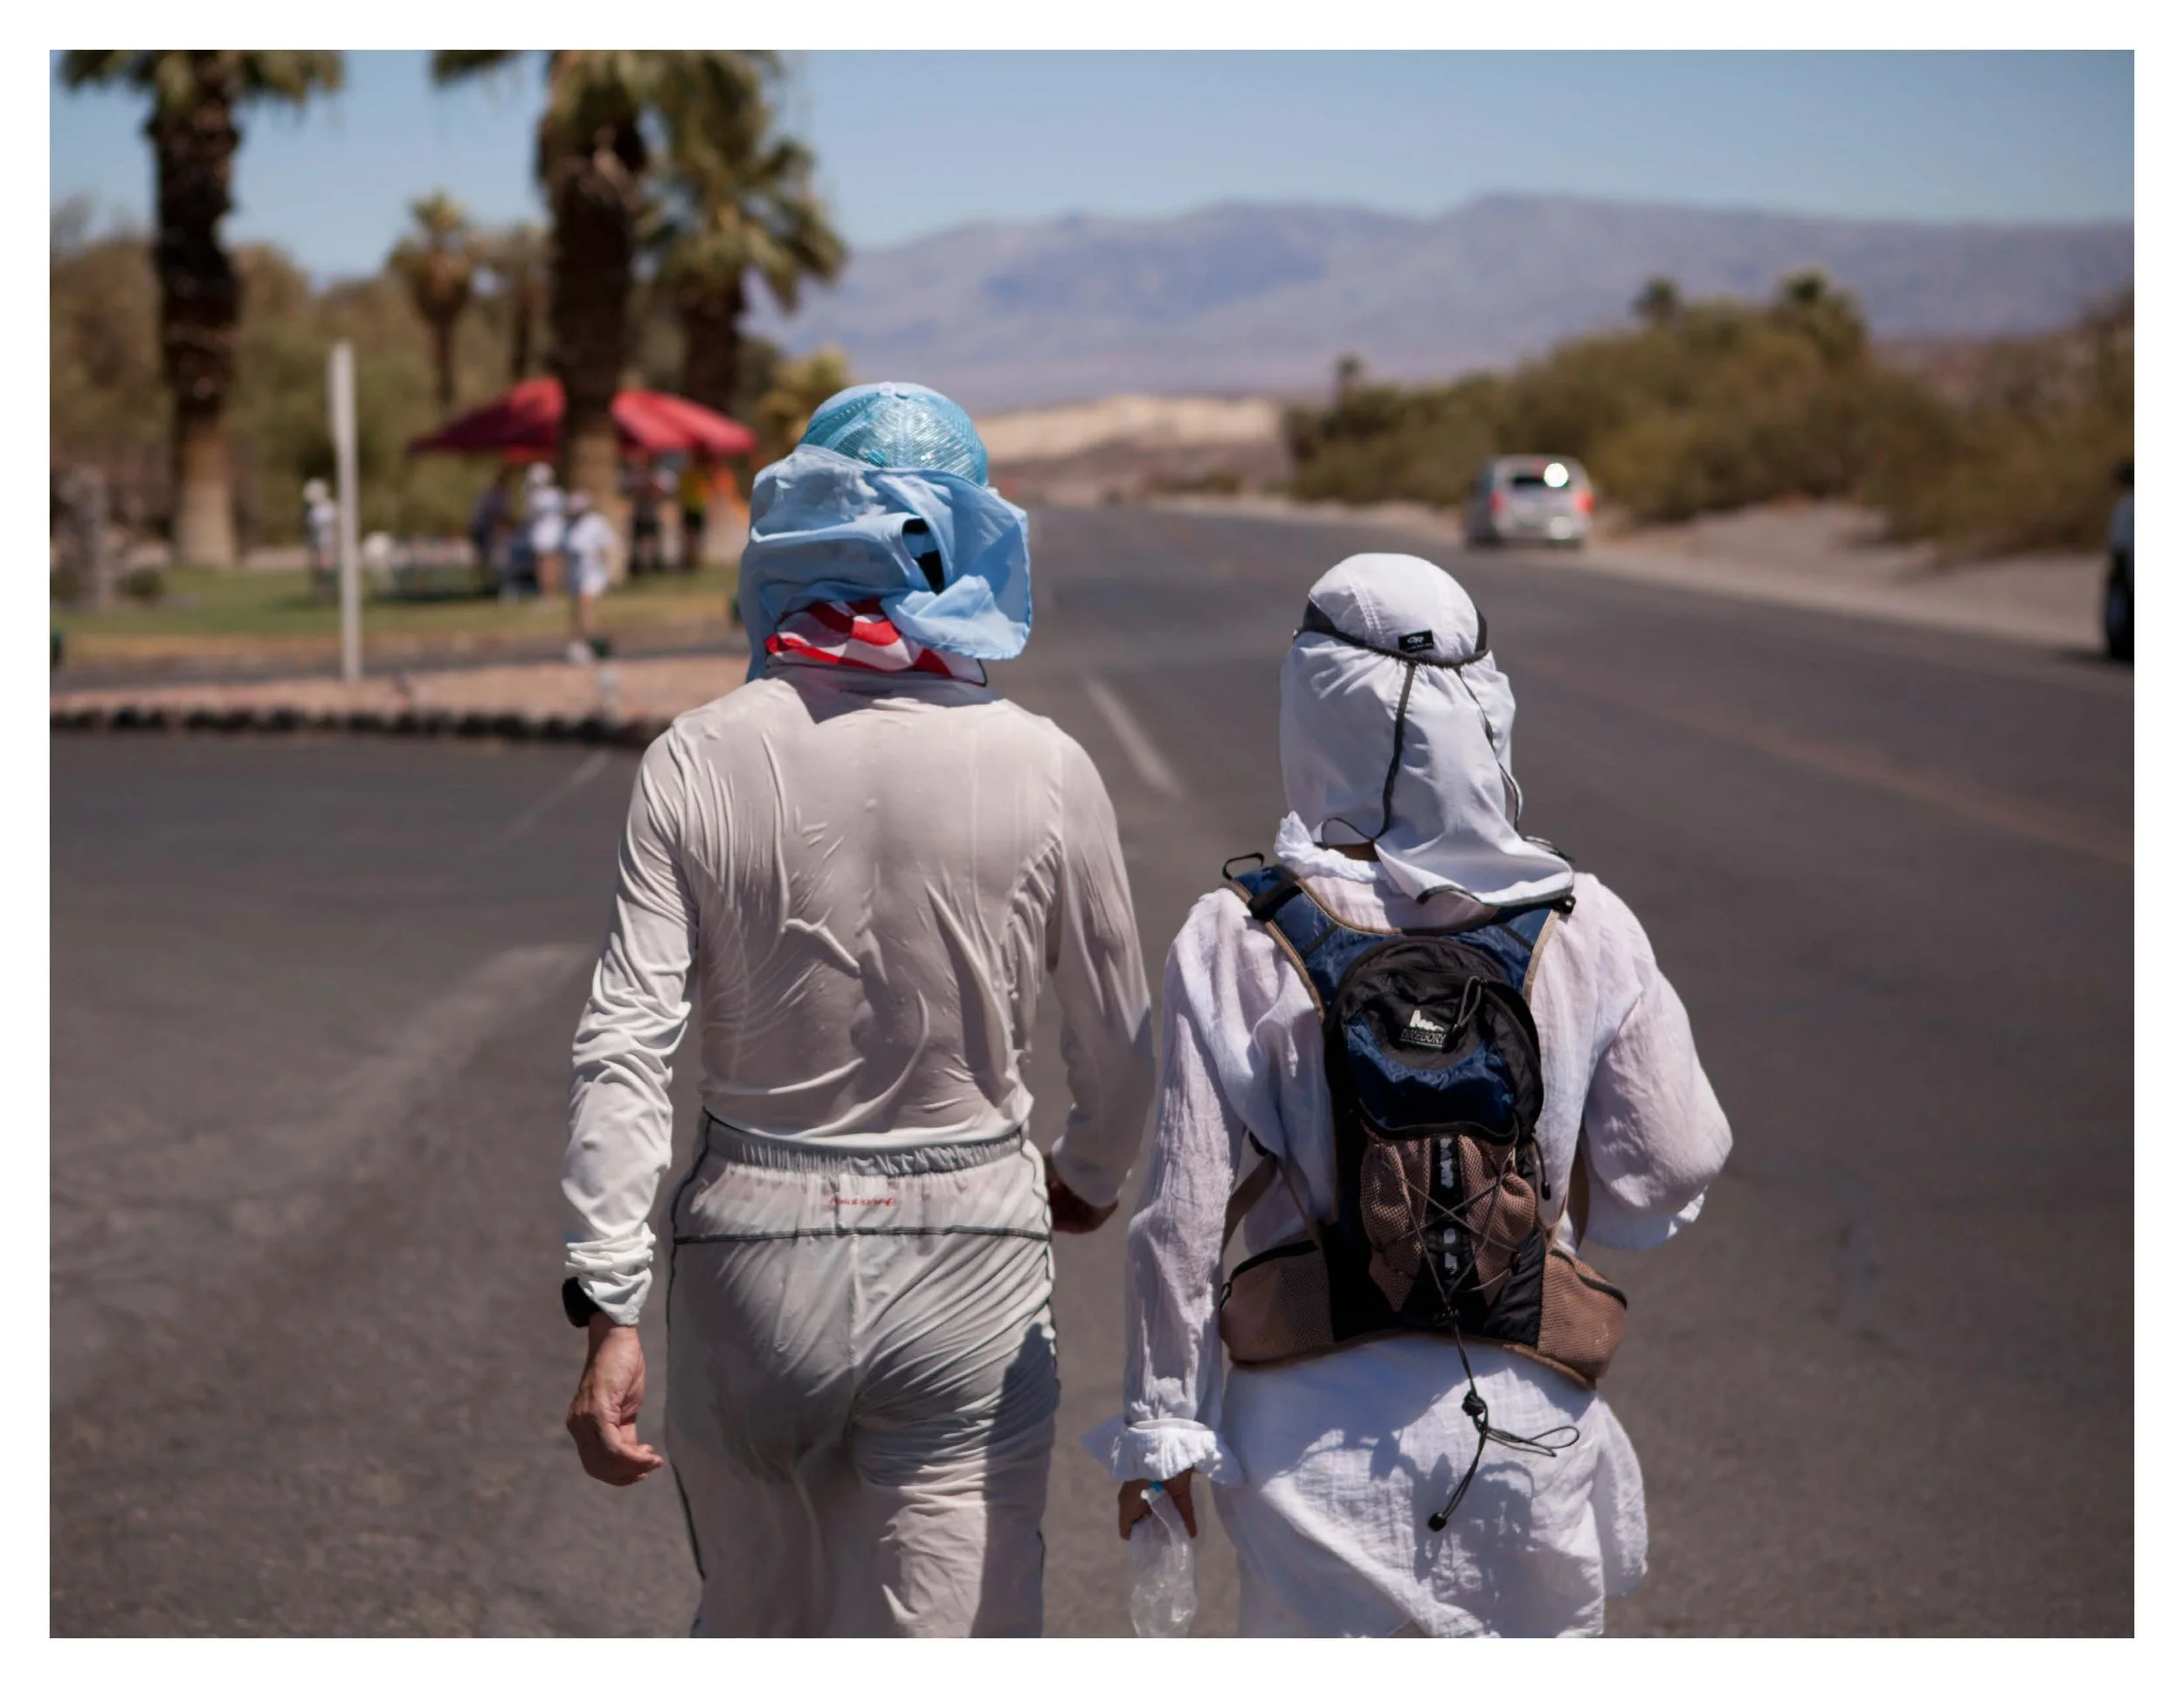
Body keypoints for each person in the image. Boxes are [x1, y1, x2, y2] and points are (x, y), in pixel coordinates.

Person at [559, 381, 1158, 1636]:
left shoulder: (698, 756)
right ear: (968, 540)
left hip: (749, 1256)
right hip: (973, 1253)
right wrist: (1089, 1173)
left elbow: (627, 1043)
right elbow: (1120, 1040)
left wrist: (609, 1300)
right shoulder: (1047, 764)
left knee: (757, 1622)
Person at [1093, 551, 1732, 1637]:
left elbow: (1182, 1219)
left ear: (1310, 707)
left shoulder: (1236, 932)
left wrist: (1161, 1443)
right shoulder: (1583, 918)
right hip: (1527, 1420)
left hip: (1311, 1438)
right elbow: (1672, 1160)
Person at [562, 490, 618, 662]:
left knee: (585, 604)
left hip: (592, 570)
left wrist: (608, 571)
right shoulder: (570, 526)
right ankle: (583, 641)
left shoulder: (596, 523)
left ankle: (593, 642)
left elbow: (605, 548)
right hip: (575, 570)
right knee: (576, 609)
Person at [523, 461, 567, 598]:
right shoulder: (557, 494)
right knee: (552, 563)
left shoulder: (536, 497)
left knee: (545, 565)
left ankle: (548, 593)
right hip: (554, 533)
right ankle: (552, 591)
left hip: (545, 535)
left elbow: (529, 516)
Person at [469, 468, 512, 594]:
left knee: (484, 558)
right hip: (482, 529)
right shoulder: (497, 495)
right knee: (484, 558)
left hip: (483, 528)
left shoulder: (492, 493)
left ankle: (484, 583)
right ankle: (484, 584)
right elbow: (496, 514)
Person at [302, 478, 337, 601]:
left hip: (328, 544)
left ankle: (329, 592)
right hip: (317, 544)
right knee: (318, 571)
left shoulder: (329, 508)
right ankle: (322, 594)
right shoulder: (312, 511)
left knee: (327, 569)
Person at [675, 455, 710, 570]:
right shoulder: (695, 474)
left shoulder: (697, 474)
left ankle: (692, 560)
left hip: (696, 507)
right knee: (690, 537)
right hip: (691, 508)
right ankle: (690, 560)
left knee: (692, 537)